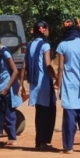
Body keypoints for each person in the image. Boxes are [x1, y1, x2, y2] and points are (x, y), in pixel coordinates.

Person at [55, 18, 80, 153]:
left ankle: (68, 147)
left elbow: (61, 68)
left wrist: (58, 85)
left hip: (68, 83)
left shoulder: (62, 45)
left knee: (69, 116)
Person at [20, 20, 57, 150]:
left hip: (34, 84)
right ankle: (43, 142)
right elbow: (48, 64)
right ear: (44, 30)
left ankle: (38, 141)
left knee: (39, 112)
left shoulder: (30, 45)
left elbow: (24, 66)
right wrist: (56, 77)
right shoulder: (45, 45)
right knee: (49, 112)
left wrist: (21, 84)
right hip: (44, 83)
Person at [0, 34, 21, 145]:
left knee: (9, 112)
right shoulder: (0, 53)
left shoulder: (5, 53)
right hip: (2, 86)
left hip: (7, 87)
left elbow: (15, 71)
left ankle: (12, 138)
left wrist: (7, 88)